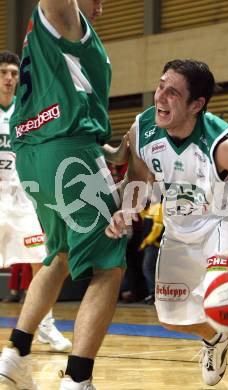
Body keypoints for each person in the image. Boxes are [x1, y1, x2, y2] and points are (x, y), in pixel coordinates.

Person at [106, 59, 228, 389]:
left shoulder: (223, 144)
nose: (160, 96)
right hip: (179, 229)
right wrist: (126, 210)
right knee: (170, 318)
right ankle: (215, 338)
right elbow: (138, 180)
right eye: (160, 86)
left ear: (196, 104)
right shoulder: (142, 129)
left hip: (224, 222)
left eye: (173, 92)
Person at [0, 1, 128, 389]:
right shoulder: (62, 17)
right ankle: (77, 379)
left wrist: (106, 152)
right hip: (66, 151)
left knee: (59, 254)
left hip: (36, 154)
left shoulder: (54, 44)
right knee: (109, 262)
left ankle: (16, 354)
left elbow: (66, 106)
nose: (101, 6)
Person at [0, 50, 71, 352]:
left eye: (14, 73)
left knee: (42, 260)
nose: (9, 78)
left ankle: (45, 324)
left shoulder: (27, 110)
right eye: (4, 72)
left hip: (21, 197)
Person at [139, 201, 164, 304]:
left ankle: (157, 293)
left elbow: (158, 228)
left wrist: (147, 241)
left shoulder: (159, 207)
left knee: (148, 268)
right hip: (150, 244)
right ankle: (153, 293)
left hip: (155, 244)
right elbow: (144, 218)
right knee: (150, 269)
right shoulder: (150, 208)